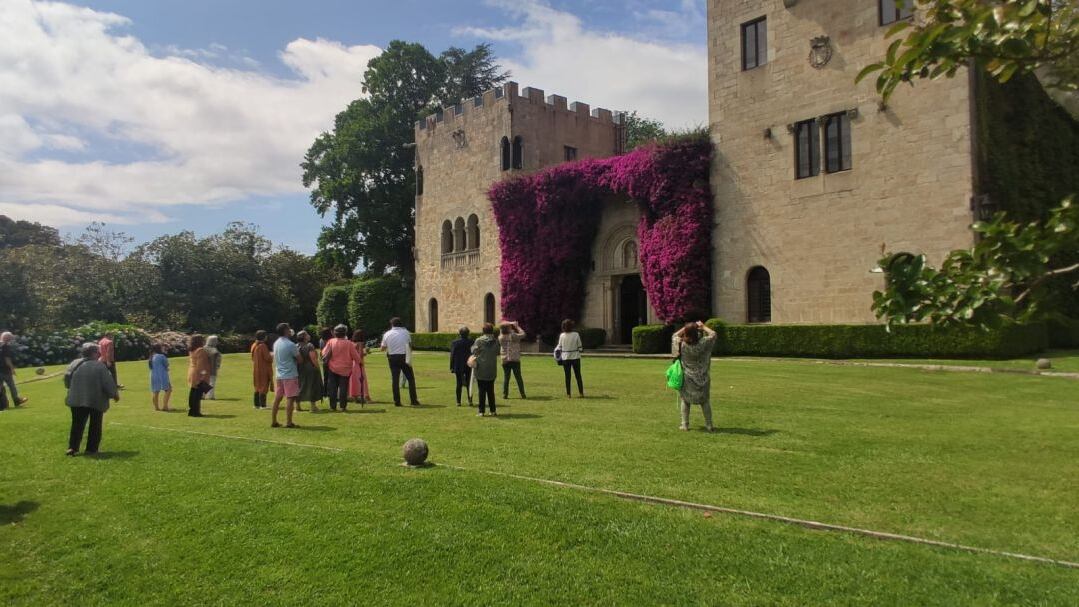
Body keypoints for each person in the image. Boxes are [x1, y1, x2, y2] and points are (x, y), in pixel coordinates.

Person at [64, 341, 120, 455]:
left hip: (76, 399)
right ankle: (91, 449)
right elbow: (107, 383)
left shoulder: (74, 363)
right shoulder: (99, 366)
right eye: (98, 352)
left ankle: (73, 447)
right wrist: (114, 394)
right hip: (96, 399)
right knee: (95, 425)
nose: (99, 354)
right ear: (94, 353)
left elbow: (66, 381)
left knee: (77, 424)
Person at [672, 321, 718, 432]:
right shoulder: (703, 343)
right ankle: (709, 425)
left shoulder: (681, 344)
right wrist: (703, 327)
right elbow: (713, 334)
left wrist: (685, 328)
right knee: (705, 401)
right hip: (703, 377)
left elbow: (674, 336)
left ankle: (685, 425)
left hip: (687, 377)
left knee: (685, 401)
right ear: (697, 333)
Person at [322, 325, 364, 411]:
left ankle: (332, 406)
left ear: (335, 333)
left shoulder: (331, 341)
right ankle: (343, 406)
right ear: (345, 333)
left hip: (332, 368)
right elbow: (355, 355)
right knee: (343, 388)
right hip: (345, 369)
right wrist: (360, 362)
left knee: (333, 388)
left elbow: (324, 353)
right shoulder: (349, 343)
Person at [380, 317, 419, 407]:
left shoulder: (387, 334)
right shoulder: (406, 332)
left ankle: (397, 401)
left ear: (392, 324)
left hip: (392, 357)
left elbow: (382, 348)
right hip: (404, 357)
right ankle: (413, 400)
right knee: (411, 379)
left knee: (395, 380)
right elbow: (410, 345)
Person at [271, 323, 302, 428]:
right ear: (285, 330)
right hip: (290, 374)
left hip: (279, 374)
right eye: (288, 329)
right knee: (290, 398)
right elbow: (300, 359)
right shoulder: (290, 344)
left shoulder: (276, 343)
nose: (290, 331)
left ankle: (274, 421)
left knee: (277, 398)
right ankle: (289, 422)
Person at [471, 323, 501, 416]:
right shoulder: (496, 341)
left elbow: (474, 351)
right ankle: (493, 410)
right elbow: (497, 352)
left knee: (481, 390)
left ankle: (481, 411)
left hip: (481, 368)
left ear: (483, 331)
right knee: (491, 390)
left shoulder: (479, 340)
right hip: (491, 368)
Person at [295, 331, 324, 412]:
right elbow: (313, 358)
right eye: (307, 334)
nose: (308, 335)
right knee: (312, 386)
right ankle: (313, 407)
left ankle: (297, 406)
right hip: (310, 368)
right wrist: (317, 367)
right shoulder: (309, 345)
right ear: (304, 337)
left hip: (299, 368)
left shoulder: (295, 346)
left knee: (299, 386)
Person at [499, 321, 527, 399]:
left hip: (505, 359)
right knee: (518, 377)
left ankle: (505, 394)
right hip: (514, 359)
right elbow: (523, 334)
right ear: (508, 329)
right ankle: (522, 394)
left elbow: (502, 327)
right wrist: (517, 326)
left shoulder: (500, 337)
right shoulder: (513, 335)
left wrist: (509, 324)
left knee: (506, 378)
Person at [557, 319, 585, 397]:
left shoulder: (562, 335)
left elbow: (559, 347)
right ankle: (581, 393)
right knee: (578, 375)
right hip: (575, 357)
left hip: (566, 357)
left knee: (567, 376)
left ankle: (568, 394)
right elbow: (580, 347)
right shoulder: (576, 334)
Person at [187, 334, 212, 417]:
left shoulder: (192, 350)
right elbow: (201, 365)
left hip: (192, 372)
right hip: (197, 373)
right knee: (197, 394)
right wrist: (203, 375)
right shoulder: (201, 350)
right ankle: (196, 412)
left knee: (193, 392)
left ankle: (192, 410)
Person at [0, 331, 28, 406]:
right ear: (8, 339)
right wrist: (12, 369)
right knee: (12, 386)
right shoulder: (5, 346)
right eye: (10, 338)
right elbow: (7, 359)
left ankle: (3, 403)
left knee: (1, 388)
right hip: (5, 370)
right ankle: (16, 400)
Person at [449, 326, 474, 406]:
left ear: (460, 334)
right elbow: (473, 353)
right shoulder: (471, 342)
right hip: (469, 364)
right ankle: (470, 400)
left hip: (458, 364)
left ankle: (458, 401)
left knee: (458, 383)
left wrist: (451, 366)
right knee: (469, 383)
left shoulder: (455, 343)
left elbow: (452, 355)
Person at [348, 330, 372, 406]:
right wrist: (366, 352)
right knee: (362, 380)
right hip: (359, 363)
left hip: (352, 364)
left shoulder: (351, 343)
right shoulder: (360, 343)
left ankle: (354, 396)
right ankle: (366, 396)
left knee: (354, 380)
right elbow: (360, 355)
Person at [250, 330, 273, 410]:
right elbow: (268, 358)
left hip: (256, 368)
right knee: (264, 386)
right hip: (263, 369)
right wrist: (272, 355)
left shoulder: (254, 345)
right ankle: (263, 405)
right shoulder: (263, 346)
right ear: (263, 337)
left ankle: (256, 404)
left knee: (257, 386)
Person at [148, 343, 172, 411]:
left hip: (153, 375)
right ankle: (165, 406)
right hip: (162, 375)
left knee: (156, 391)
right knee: (168, 389)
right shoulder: (161, 356)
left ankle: (156, 407)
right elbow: (166, 364)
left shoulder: (151, 357)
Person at [203, 335, 222, 400]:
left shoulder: (203, 348)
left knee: (204, 382)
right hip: (212, 368)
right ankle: (210, 396)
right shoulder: (214, 350)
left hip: (203, 368)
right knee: (211, 382)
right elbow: (216, 361)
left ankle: (202, 395)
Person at [318, 327, 333, 399]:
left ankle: (325, 392)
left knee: (326, 377)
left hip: (324, 360)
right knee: (331, 378)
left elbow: (321, 350)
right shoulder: (331, 340)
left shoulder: (321, 340)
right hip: (330, 360)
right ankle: (330, 392)